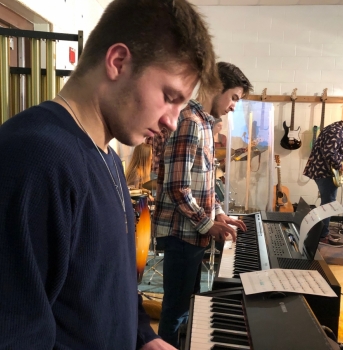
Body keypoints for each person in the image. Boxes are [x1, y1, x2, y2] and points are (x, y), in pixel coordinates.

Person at [0, 0, 220, 349]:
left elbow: (111, 282)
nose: (173, 121)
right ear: (118, 62)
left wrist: (143, 336)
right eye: (169, 97)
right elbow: (16, 332)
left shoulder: (109, 158)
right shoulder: (33, 158)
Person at [152, 62, 253, 348]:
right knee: (176, 312)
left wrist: (221, 214)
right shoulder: (189, 123)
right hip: (182, 234)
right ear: (214, 87)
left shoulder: (205, 125)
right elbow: (177, 187)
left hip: (193, 233)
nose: (234, 105)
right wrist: (209, 225)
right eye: (233, 96)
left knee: (189, 306)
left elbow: (205, 184)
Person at [303, 116, 343, 248]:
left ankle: (322, 232)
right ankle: (322, 236)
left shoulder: (337, 128)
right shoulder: (336, 131)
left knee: (327, 203)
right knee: (328, 204)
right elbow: (329, 153)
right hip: (324, 172)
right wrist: (342, 166)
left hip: (324, 171)